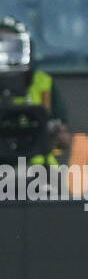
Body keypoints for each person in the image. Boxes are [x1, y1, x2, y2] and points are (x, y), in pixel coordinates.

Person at [0, 17, 71, 169]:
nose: (5, 55)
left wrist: (54, 137)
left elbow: (63, 142)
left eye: (12, 48)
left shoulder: (43, 82)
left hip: (38, 169)